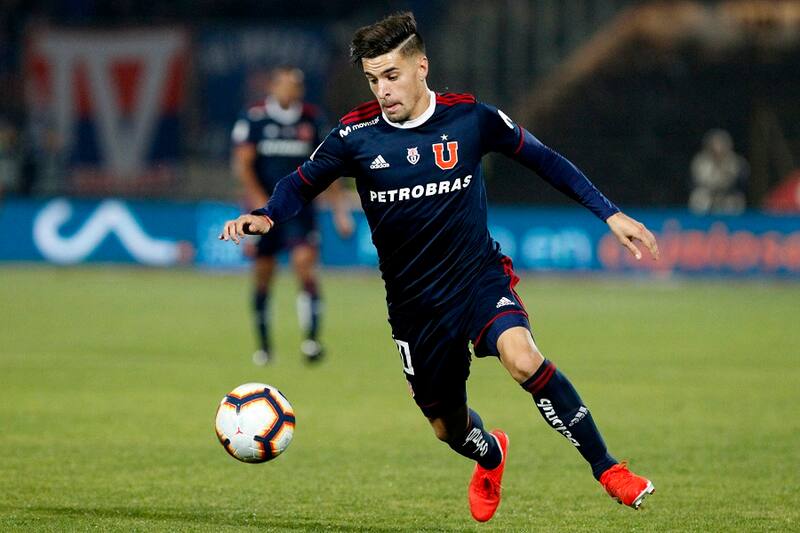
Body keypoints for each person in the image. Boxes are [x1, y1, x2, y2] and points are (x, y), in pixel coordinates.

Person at [221, 12, 659, 522]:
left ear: (421, 66)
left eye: (391, 75)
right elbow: (300, 183)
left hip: (476, 277)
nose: (382, 90)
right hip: (414, 306)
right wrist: (266, 214)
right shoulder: (353, 136)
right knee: (447, 428)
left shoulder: (471, 119)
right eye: (372, 79)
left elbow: (546, 160)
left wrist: (609, 213)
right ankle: (491, 453)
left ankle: (608, 468)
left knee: (523, 358)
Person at [231, 65, 353, 365]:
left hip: (301, 210)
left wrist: (340, 212)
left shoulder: (312, 119)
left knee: (304, 266)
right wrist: (259, 204)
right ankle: (264, 346)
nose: (290, 90)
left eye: (295, 86)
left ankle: (311, 340)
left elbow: (330, 168)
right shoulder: (255, 119)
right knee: (263, 275)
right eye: (284, 85)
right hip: (264, 211)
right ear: (273, 87)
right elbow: (243, 166)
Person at [689, 129, 748, 215]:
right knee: (699, 198)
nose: (718, 148)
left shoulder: (734, 161)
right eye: (715, 144)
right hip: (708, 193)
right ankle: (699, 225)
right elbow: (700, 181)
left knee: (735, 202)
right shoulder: (701, 161)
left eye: (721, 144)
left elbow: (735, 181)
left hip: (727, 194)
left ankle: (734, 226)